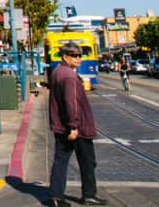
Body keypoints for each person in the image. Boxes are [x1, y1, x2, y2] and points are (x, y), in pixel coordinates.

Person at [49, 43, 105, 207]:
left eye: (80, 55)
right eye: (75, 55)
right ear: (65, 56)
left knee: (60, 160)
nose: (79, 58)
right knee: (88, 161)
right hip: (76, 127)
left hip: (60, 125)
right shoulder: (69, 76)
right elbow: (71, 102)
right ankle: (89, 195)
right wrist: (73, 126)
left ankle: (56, 196)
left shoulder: (57, 72)